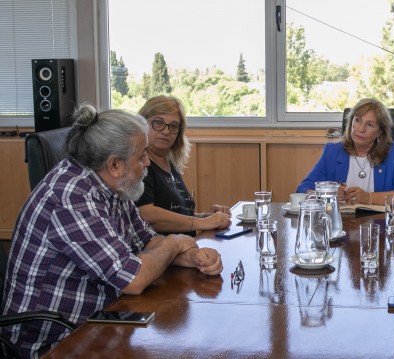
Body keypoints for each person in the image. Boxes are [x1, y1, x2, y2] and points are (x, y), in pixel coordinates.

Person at [1, 104, 223, 358]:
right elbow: (133, 279)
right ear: (115, 164)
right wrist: (175, 244)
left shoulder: (113, 184)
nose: (148, 162)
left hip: (100, 321)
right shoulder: (71, 196)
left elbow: (149, 242)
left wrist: (193, 258)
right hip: (54, 342)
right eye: (141, 156)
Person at [296, 98, 394, 208]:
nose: (361, 129)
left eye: (370, 125)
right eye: (358, 120)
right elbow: (303, 189)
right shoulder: (332, 152)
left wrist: (369, 198)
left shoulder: (393, 154)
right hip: (341, 226)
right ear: (351, 122)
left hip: (379, 227)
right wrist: (326, 195)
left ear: (380, 132)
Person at [136, 96, 230, 236]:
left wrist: (207, 217)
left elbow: (176, 214)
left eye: (173, 126)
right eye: (158, 122)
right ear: (142, 124)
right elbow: (146, 215)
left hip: (186, 249)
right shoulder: (139, 165)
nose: (166, 131)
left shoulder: (169, 164)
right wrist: (202, 223)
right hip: (160, 252)